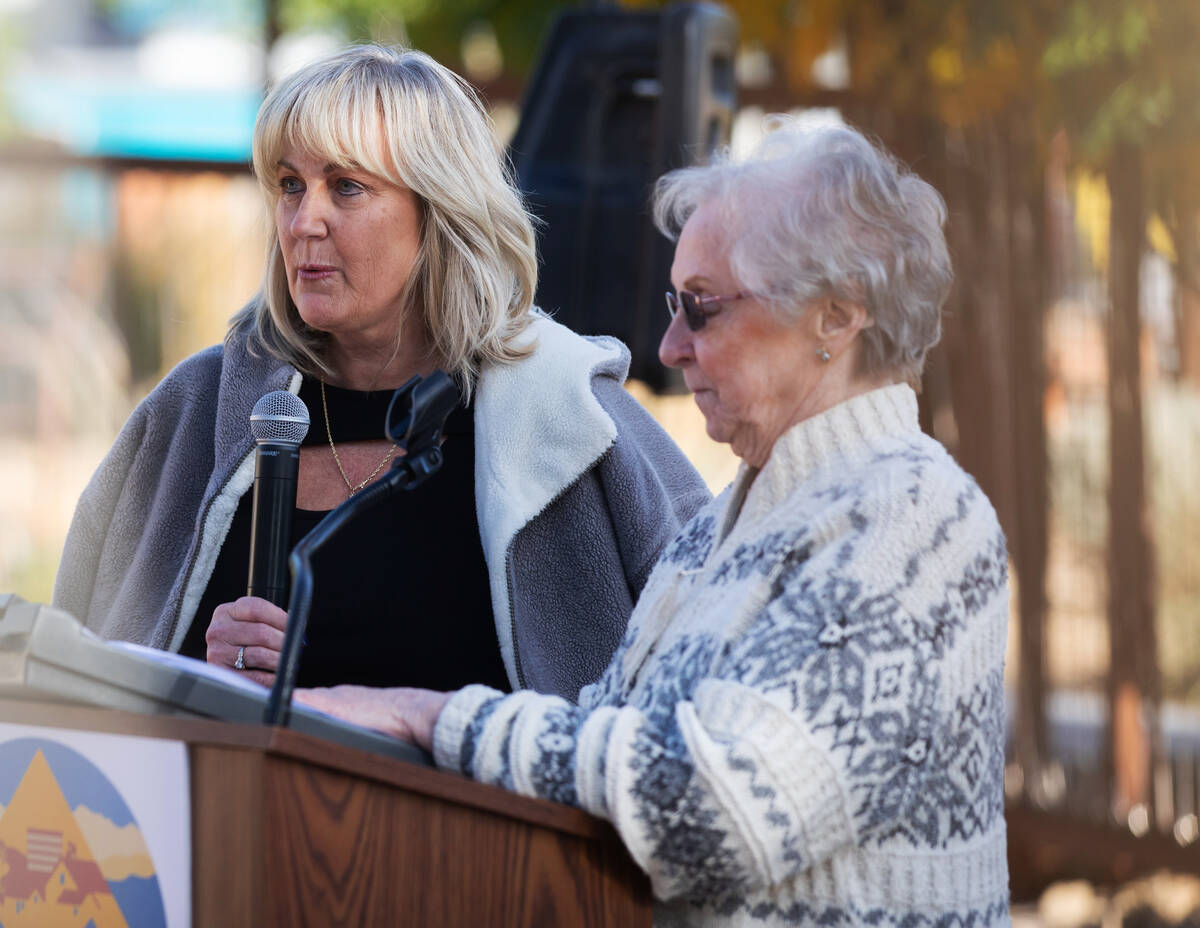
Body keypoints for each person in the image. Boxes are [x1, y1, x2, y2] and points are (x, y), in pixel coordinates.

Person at [299, 120, 1012, 925]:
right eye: (676, 304)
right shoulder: (727, 526)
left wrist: (429, 716)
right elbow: (597, 746)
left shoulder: (912, 519)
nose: (669, 345)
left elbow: (719, 815)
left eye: (702, 308)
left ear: (835, 318)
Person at [52, 45, 710, 700]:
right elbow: (66, 683)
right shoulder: (196, 412)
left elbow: (711, 660)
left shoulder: (571, 419)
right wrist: (192, 681)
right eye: (289, 186)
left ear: (440, 213)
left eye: (346, 187)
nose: (305, 221)